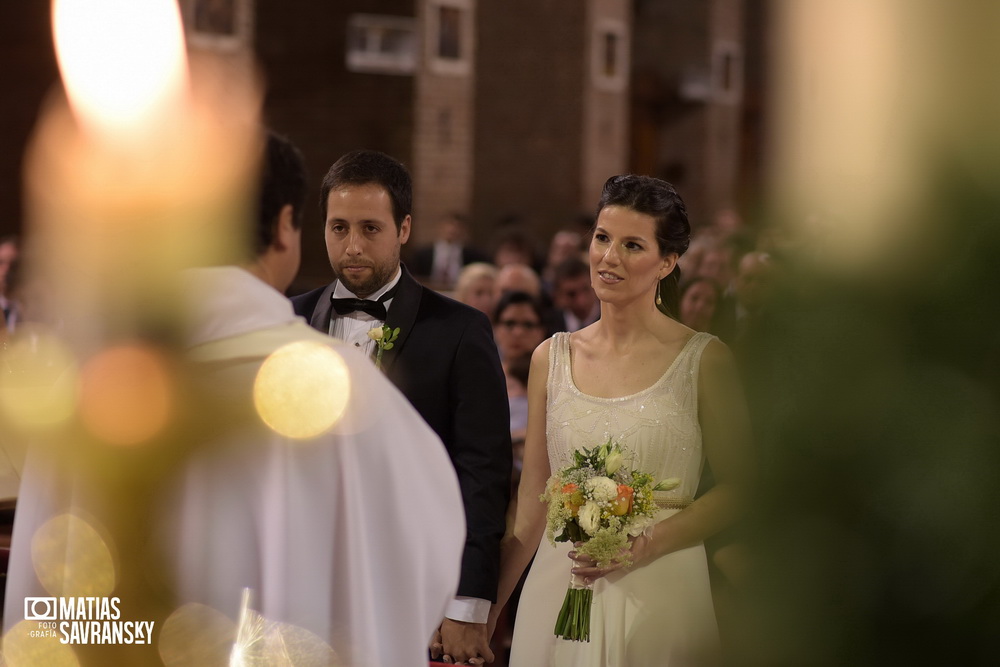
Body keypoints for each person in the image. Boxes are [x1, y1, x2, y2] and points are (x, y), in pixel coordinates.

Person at [3, 132, 466, 667]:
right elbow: (422, 558)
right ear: (286, 227)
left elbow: (45, 602)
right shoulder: (350, 398)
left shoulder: (86, 394)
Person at [488, 174, 752, 666]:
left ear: (667, 262)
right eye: (603, 238)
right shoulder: (552, 356)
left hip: (663, 588)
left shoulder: (704, 360)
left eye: (632, 245)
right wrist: (484, 612)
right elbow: (531, 504)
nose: (609, 258)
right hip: (558, 586)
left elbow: (741, 488)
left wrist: (646, 546)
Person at [291, 149, 511, 665]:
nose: (352, 246)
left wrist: (466, 604)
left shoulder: (459, 331)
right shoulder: (288, 322)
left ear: (404, 228)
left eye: (370, 228)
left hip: (412, 590)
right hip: (300, 588)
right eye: (338, 228)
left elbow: (482, 472)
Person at [408, 212, 489, 289]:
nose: (452, 229)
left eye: (457, 226)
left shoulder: (472, 255)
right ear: (440, 227)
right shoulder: (422, 255)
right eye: (449, 224)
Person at [550, 257, 600, 332]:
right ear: (558, 296)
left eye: (586, 289)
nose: (581, 301)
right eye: (571, 294)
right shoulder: (549, 326)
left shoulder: (614, 319)